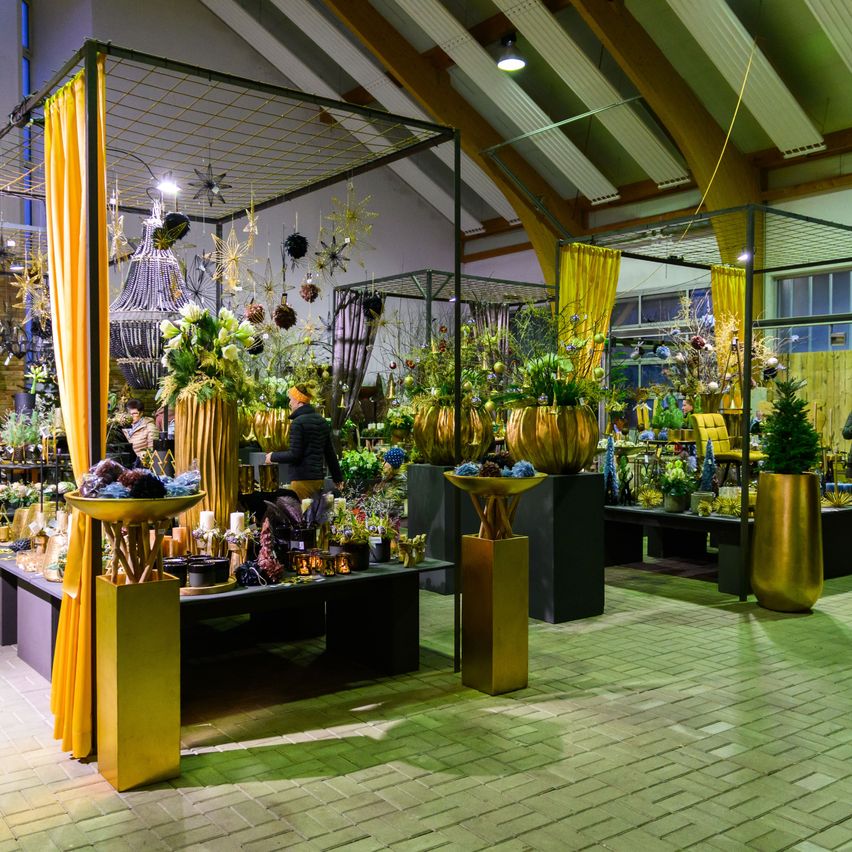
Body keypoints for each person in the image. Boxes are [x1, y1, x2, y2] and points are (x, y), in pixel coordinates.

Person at [265, 384, 344, 500]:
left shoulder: (298, 423)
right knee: (314, 515)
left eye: (291, 399)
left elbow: (294, 455)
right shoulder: (322, 422)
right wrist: (337, 478)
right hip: (318, 479)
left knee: (301, 515)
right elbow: (329, 453)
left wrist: (272, 456)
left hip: (301, 481)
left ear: (299, 401)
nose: (290, 403)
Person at [122, 398, 158, 463]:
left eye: (135, 413)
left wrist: (143, 457)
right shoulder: (123, 427)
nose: (131, 416)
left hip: (140, 464)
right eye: (129, 413)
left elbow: (152, 450)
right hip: (124, 462)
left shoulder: (149, 427)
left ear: (141, 413)